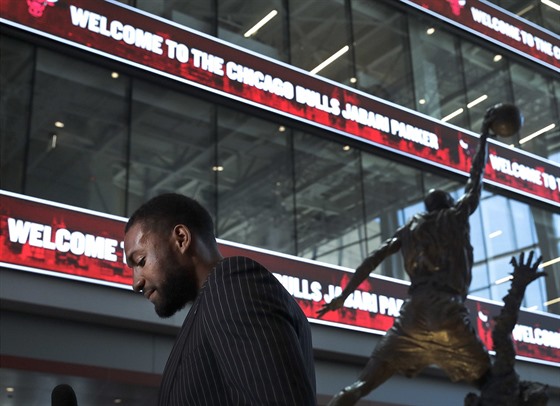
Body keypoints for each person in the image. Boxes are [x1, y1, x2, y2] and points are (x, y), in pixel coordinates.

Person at [316, 105, 515, 406]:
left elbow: (373, 258)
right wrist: (484, 137)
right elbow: (476, 178)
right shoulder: (456, 216)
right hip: (447, 308)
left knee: (359, 386)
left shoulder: (408, 229)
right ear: (448, 204)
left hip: (414, 312)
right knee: (494, 384)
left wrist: (344, 296)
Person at [124, 193, 316, 405]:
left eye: (141, 260)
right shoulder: (211, 303)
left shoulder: (232, 284)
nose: (136, 283)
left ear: (181, 239)